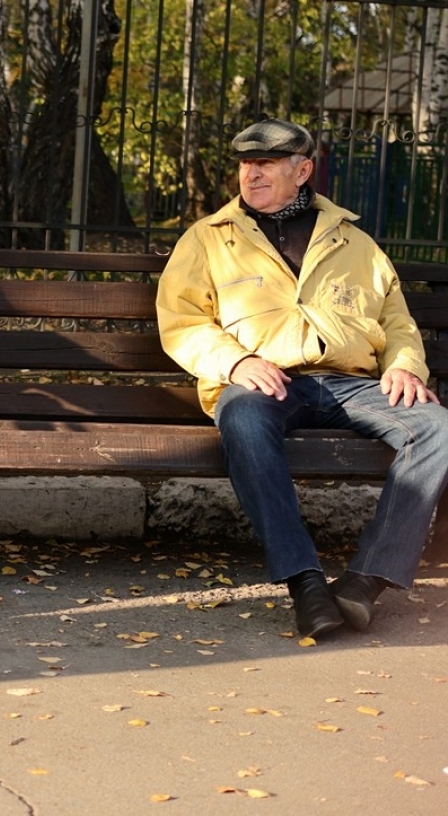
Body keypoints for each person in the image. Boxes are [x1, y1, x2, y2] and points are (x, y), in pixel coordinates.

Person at [155, 118, 448, 639]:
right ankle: (305, 582)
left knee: (438, 427)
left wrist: (404, 364)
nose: (252, 173)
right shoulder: (208, 238)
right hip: (262, 383)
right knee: (241, 416)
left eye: (265, 163)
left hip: (352, 382)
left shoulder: (354, 242)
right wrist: (236, 364)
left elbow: (397, 321)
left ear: (303, 169)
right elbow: (182, 320)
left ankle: (365, 581)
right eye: (246, 163)